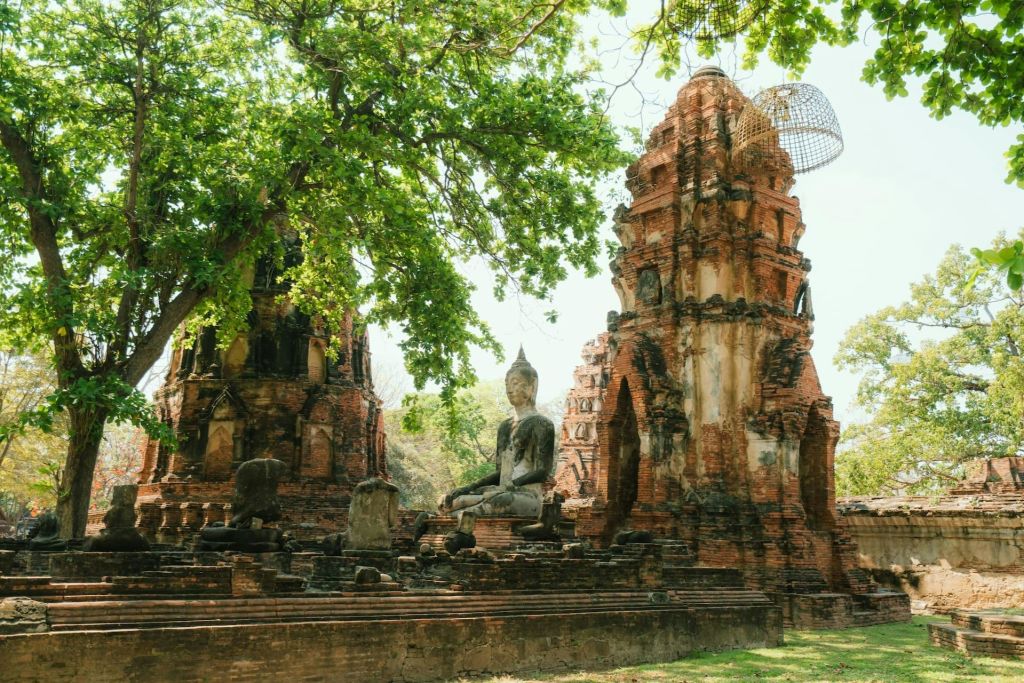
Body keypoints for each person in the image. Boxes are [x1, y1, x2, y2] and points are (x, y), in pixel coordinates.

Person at [441, 348, 555, 517]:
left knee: (498, 500)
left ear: (532, 387)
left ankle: (462, 521)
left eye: (515, 383)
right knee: (456, 499)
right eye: (507, 384)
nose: (509, 389)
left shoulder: (542, 424)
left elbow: (542, 471)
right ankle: (451, 517)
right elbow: (500, 472)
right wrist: (470, 487)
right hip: (503, 489)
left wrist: (512, 485)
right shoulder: (504, 426)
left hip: (527, 495)